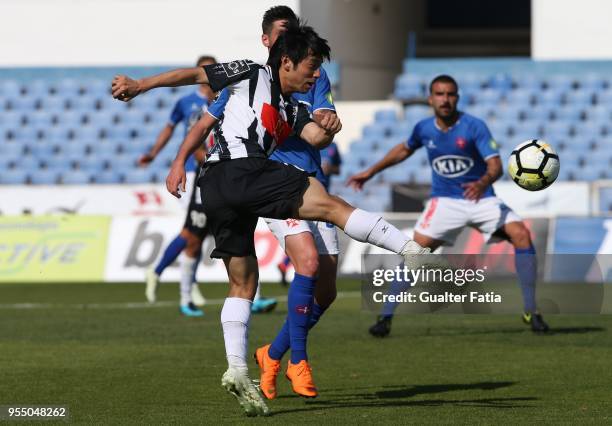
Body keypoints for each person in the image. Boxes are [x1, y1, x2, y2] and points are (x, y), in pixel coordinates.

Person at [111, 24, 430, 417]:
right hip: (244, 171)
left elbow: (314, 137)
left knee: (243, 282)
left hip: (215, 186)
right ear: (286, 62)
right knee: (330, 205)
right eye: (310, 68)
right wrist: (140, 85)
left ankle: (237, 368)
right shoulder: (249, 72)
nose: (315, 76)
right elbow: (194, 75)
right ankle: (410, 249)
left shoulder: (291, 108)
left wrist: (330, 129)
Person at [347, 74, 549, 337]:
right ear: (431, 99)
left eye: (450, 94)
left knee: (522, 235)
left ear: (457, 97)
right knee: (414, 253)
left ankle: (532, 312)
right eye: (440, 94)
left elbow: (496, 166)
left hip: (482, 198)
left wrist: (482, 181)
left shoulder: (474, 126)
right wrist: (371, 171)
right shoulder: (424, 129)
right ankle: (385, 317)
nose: (445, 99)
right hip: (445, 202)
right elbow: (403, 150)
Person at [140, 55, 278, 315]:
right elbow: (194, 140)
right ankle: (176, 287)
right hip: (202, 176)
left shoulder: (230, 98)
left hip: (226, 176)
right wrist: (163, 156)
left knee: (230, 233)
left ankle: (247, 294)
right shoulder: (194, 105)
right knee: (192, 234)